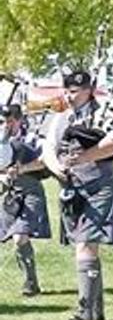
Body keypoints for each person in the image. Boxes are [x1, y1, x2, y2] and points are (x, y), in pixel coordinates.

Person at [42, 71, 113, 320]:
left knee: (86, 244)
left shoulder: (104, 112)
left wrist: (83, 157)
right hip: (72, 188)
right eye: (68, 90)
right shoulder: (62, 118)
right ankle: (96, 309)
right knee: (85, 245)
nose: (70, 95)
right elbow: (47, 147)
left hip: (99, 185)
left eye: (76, 91)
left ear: (89, 90)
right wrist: (56, 166)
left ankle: (85, 311)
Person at [0, 104, 51, 296]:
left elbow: (45, 161)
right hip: (11, 194)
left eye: (10, 121)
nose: (7, 125)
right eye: (4, 121)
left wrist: (21, 169)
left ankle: (30, 283)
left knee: (20, 236)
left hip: (31, 192)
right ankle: (30, 281)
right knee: (14, 239)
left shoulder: (32, 139)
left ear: (19, 120)